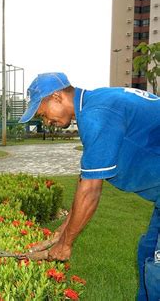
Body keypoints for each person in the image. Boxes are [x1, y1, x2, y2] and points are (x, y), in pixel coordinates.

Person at [19, 72, 160, 300]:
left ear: (56, 97)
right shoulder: (96, 102)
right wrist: (61, 232)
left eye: (43, 115)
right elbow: (85, 180)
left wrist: (65, 245)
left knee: (158, 271)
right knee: (148, 252)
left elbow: (91, 191)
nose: (46, 122)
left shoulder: (97, 115)